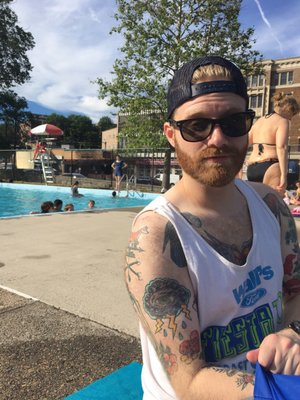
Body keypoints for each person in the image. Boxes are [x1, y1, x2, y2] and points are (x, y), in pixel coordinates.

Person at [124, 55, 300, 399]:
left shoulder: (271, 206)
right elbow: (189, 382)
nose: (217, 138)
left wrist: (292, 332)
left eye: (233, 122)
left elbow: (296, 291)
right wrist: (279, 390)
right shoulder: (156, 235)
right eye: (197, 126)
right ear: (171, 134)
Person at [246, 93, 299, 196]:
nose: (291, 119)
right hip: (270, 166)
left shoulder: (259, 121)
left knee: (255, 205)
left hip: (252, 168)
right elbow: (282, 147)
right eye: (292, 114)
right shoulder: (282, 121)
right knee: (272, 206)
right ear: (288, 109)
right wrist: (284, 174)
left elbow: (245, 143)